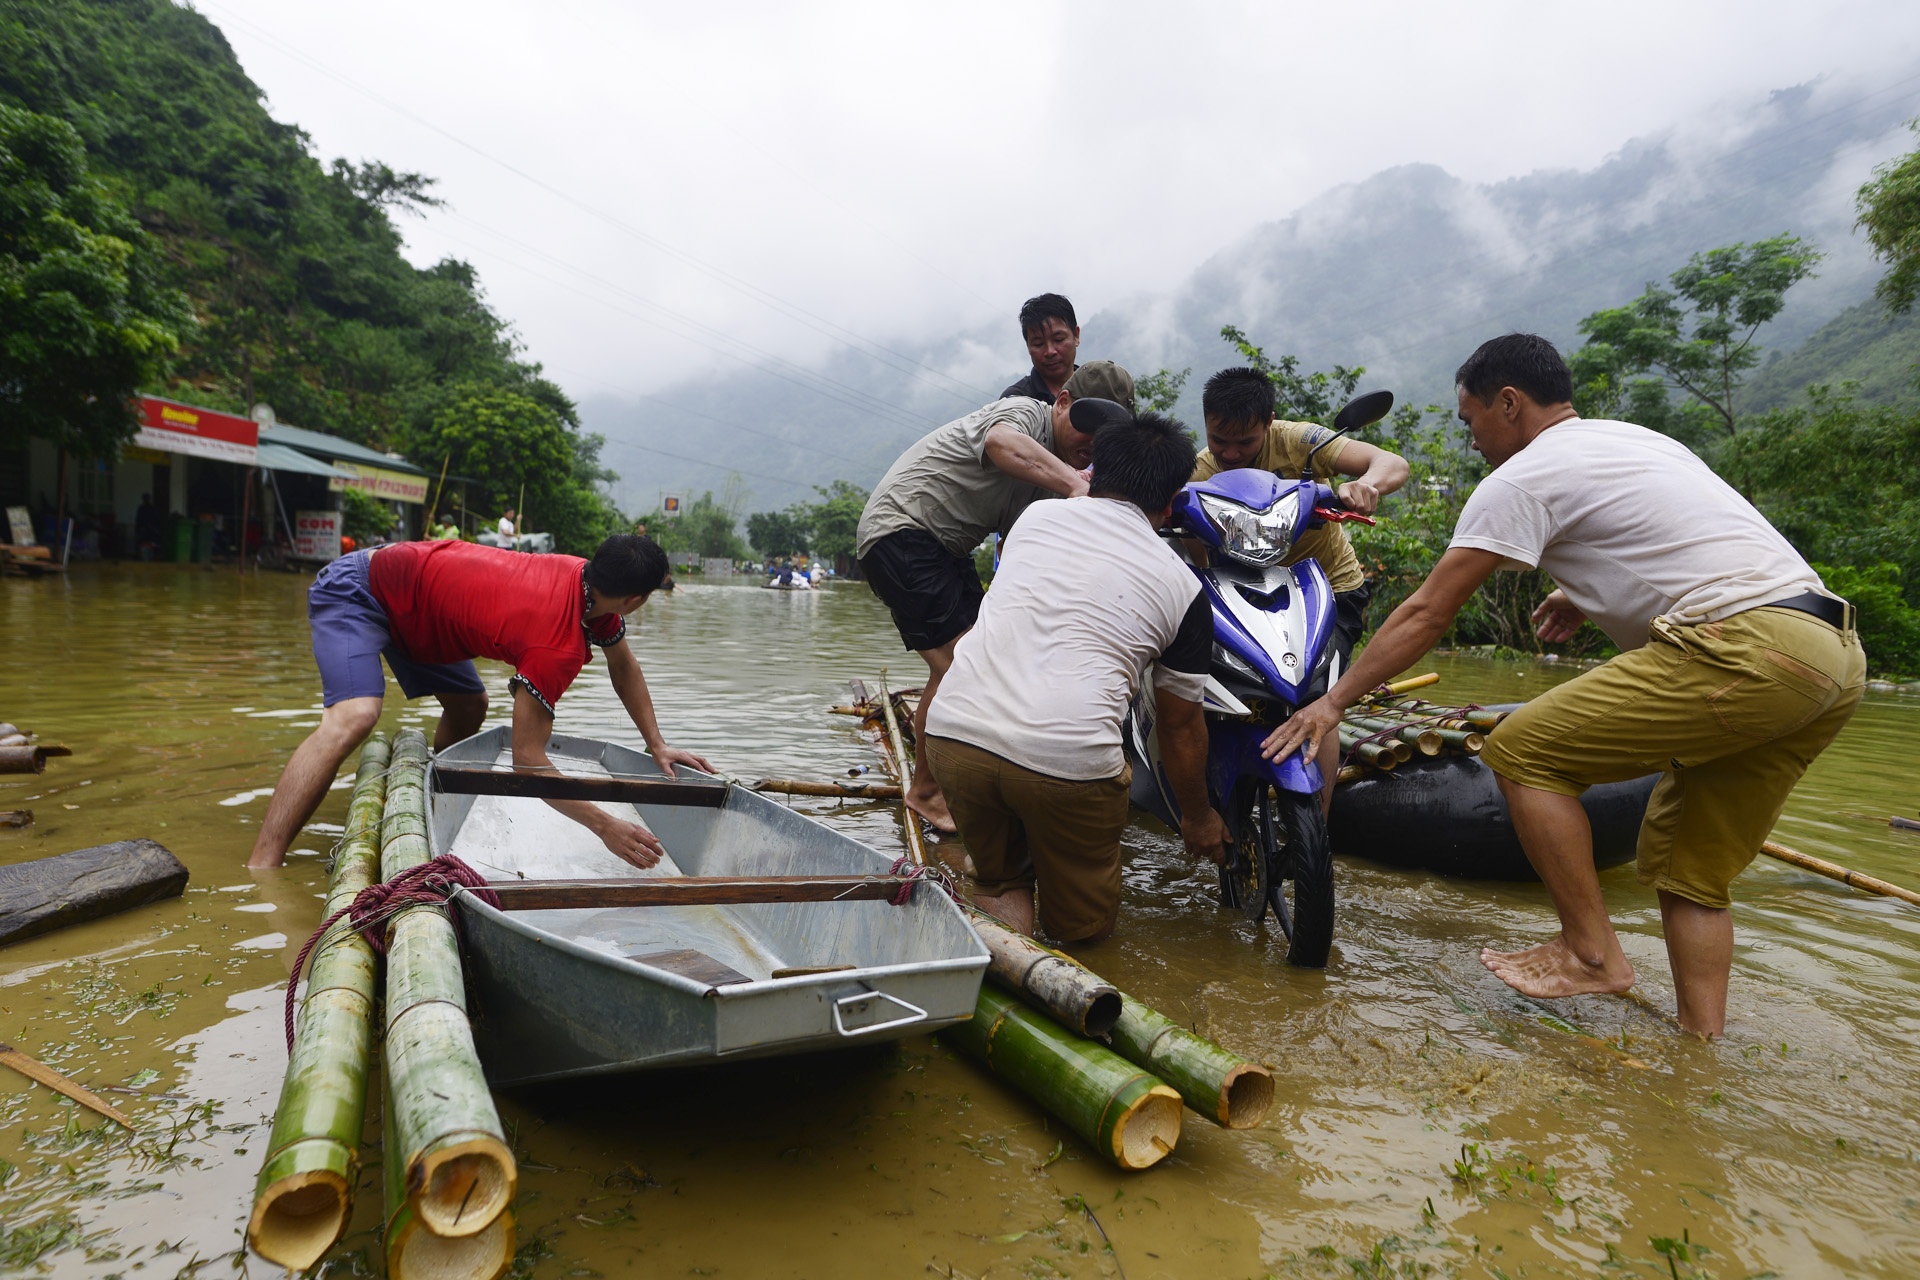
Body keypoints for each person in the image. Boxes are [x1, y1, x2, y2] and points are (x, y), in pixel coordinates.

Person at [1258, 333, 1864, 1036]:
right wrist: (1582, 594)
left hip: (1747, 650)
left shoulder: (1521, 477)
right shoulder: (1634, 440)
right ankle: (1700, 1052)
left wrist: (1332, 703)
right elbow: (1674, 534)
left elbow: (1428, 610)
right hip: (1830, 656)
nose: (1472, 440)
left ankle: (1590, 952)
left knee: (1521, 752)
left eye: (1471, 419)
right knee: (1690, 875)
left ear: (1508, 403)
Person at [925, 410, 1229, 943]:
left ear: (1093, 471)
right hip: (1068, 763)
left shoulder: (1034, 519)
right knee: (1081, 932)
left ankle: (1001, 974)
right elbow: (1180, 728)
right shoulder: (1184, 588)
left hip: (956, 734)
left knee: (999, 882)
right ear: (1170, 501)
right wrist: (1199, 817)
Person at [246, 534, 712, 869]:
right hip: (361, 588)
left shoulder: (584, 584)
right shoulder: (557, 642)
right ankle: (263, 864)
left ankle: (428, 797)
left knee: (471, 704)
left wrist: (657, 744)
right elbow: (529, 761)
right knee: (355, 716)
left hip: (421, 613)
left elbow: (623, 665)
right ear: (634, 600)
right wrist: (604, 824)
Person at [857, 361, 1135, 833]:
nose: (1089, 444)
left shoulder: (1056, 478)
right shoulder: (1024, 412)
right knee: (959, 668)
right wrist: (1075, 485)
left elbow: (1024, 548)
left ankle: (968, 780)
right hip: (903, 532)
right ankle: (927, 793)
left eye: (1103, 438)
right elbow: (1000, 443)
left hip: (947, 551)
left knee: (984, 658)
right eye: (1085, 425)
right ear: (1062, 402)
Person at [1193, 367, 1411, 810]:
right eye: (1219, 440)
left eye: (1245, 442)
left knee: (1316, 699)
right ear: (1206, 425)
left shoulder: (1302, 440)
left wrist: (1365, 485)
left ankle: (1320, 822)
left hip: (1328, 589)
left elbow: (1392, 462)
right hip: (1244, 598)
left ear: (1269, 422)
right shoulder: (1198, 471)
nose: (1230, 453)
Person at [1000, 293, 1080, 402]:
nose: (1050, 351)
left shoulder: (1098, 388)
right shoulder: (1015, 400)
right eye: (1038, 344)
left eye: (1058, 339)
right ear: (1028, 346)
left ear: (1076, 335)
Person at [134, 493, 164, 560]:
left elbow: (138, 520)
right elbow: (139, 520)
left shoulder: (144, 508)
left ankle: (148, 557)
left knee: (148, 544)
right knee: (147, 544)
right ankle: (148, 557)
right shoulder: (150, 508)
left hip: (148, 530)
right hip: (148, 530)